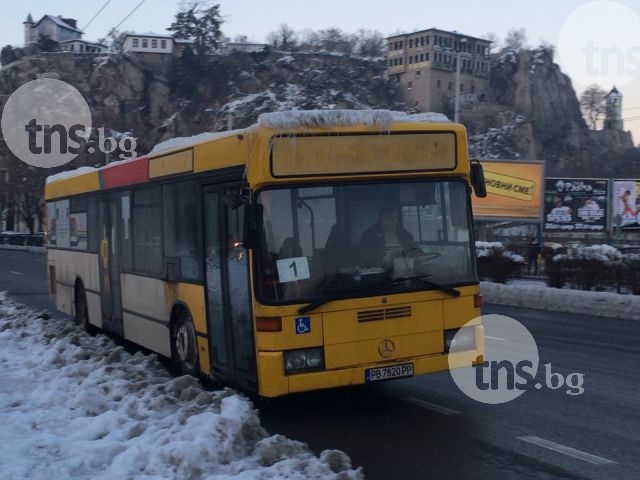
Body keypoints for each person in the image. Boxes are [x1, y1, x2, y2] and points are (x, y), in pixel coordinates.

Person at [359, 205, 420, 272]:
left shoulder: (404, 234)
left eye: (395, 217)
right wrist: (383, 260)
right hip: (382, 274)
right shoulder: (369, 235)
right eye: (389, 217)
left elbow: (416, 250)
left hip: (407, 271)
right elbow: (365, 258)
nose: (393, 220)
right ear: (380, 218)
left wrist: (418, 257)